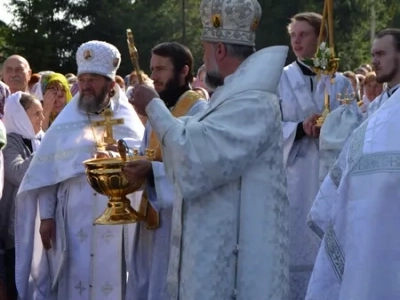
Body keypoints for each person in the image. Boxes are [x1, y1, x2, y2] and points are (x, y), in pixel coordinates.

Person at [130, 0, 290, 299]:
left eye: (205, 49)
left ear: (218, 50)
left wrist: (152, 105)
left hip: (235, 265)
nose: (204, 58)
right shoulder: (232, 98)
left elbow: (196, 157)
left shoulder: (253, 102)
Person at [15, 40, 144, 300]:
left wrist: (116, 158)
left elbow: (142, 158)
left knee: (113, 281)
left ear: (110, 83)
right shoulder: (67, 120)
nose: (85, 85)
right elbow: (47, 173)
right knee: (75, 279)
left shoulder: (127, 117)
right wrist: (47, 217)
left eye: (93, 79)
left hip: (117, 218)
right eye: (83, 78)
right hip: (73, 219)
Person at [306, 28, 400, 300]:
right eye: (373, 54)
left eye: (382, 53)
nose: (375, 61)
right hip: (365, 224)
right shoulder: (377, 106)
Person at [279, 11, 353, 300]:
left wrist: (331, 126)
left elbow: (353, 125)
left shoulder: (341, 83)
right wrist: (299, 128)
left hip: (329, 174)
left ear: (320, 38)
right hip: (293, 177)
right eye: (293, 35)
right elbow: (268, 126)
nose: (296, 41)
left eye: (304, 34)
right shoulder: (280, 79)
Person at [124, 42, 207, 300]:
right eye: (152, 69)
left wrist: (151, 171)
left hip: (180, 223)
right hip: (152, 219)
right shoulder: (157, 109)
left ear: (184, 71)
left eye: (161, 69)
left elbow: (196, 165)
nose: (154, 77)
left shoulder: (198, 110)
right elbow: (147, 153)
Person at [0, 93, 45, 300]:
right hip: (15, 231)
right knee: (15, 285)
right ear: (20, 115)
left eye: (42, 113)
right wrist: (44, 152)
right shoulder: (10, 142)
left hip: (42, 228)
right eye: (36, 114)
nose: (41, 119)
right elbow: (16, 173)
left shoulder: (41, 139)